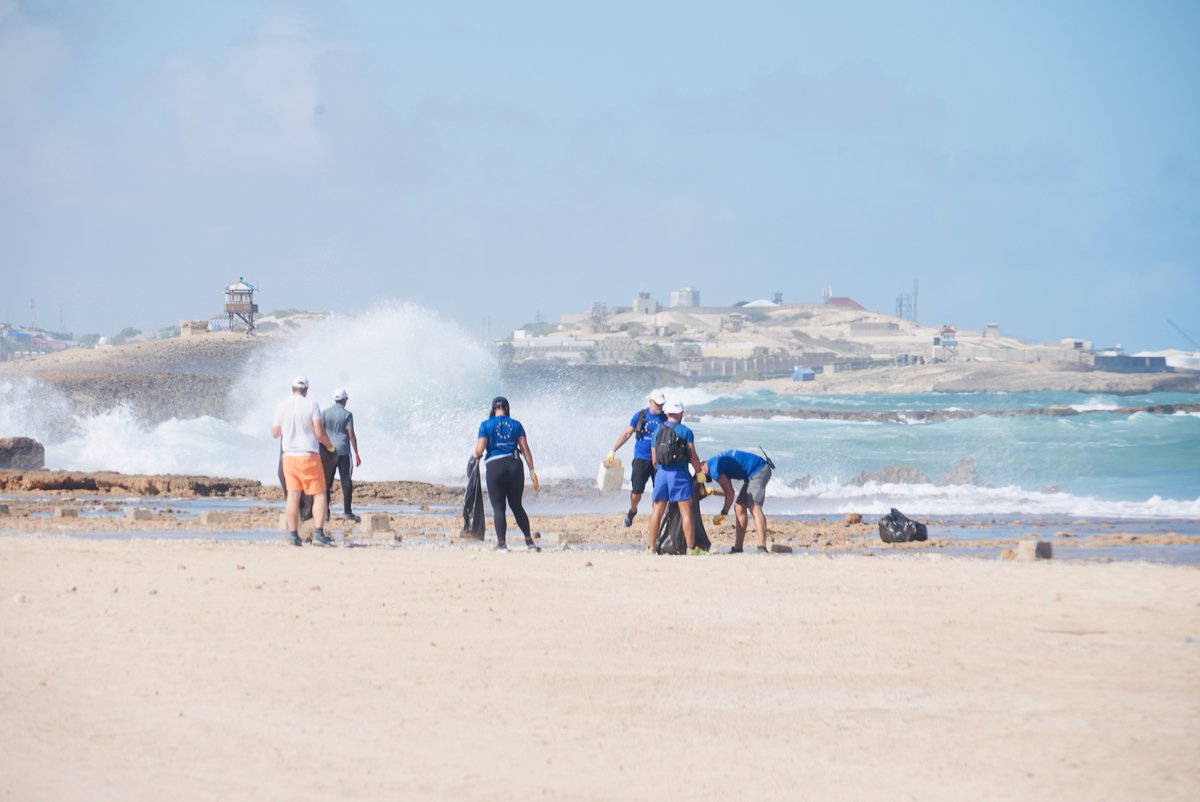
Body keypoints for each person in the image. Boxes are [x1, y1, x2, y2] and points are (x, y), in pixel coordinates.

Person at [272, 375, 336, 547]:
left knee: (293, 495)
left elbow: (275, 433)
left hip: (288, 457)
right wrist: (330, 448)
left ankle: (293, 536)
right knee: (320, 494)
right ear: (306, 389)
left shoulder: (281, 406)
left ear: (292, 388)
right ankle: (318, 533)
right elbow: (319, 432)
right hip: (308, 456)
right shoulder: (312, 405)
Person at [473, 396, 540, 552]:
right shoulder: (516, 424)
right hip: (515, 466)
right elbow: (525, 449)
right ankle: (529, 542)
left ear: (493, 409)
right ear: (507, 409)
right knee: (517, 505)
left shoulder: (485, 425)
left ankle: (502, 544)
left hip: (495, 467)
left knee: (499, 508)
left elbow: (479, 450)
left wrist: (473, 458)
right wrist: (532, 471)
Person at [647, 400, 706, 555]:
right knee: (686, 512)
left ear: (666, 413)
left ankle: (650, 548)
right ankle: (692, 549)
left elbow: (654, 460)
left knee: (657, 512)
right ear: (680, 414)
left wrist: (661, 469)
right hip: (679, 474)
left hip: (661, 474)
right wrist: (699, 473)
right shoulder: (686, 431)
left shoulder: (656, 432)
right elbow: (693, 456)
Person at [604, 390, 668, 527]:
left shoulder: (665, 419)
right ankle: (632, 511)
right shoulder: (640, 416)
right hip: (641, 459)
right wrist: (613, 450)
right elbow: (627, 433)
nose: (661, 407)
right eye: (658, 404)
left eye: (662, 404)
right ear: (650, 402)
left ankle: (656, 520)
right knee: (636, 492)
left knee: (659, 492)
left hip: (659, 462)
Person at [705, 449, 773, 553]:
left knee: (754, 506)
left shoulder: (714, 469)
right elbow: (729, 491)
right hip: (751, 475)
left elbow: (730, 493)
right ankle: (738, 548)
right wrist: (713, 491)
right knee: (739, 507)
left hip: (759, 469)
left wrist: (723, 513)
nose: (705, 479)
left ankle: (762, 547)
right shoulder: (713, 463)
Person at [321, 388, 361, 522]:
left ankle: (325, 513)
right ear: (344, 399)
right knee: (346, 480)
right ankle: (347, 512)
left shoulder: (325, 413)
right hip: (343, 452)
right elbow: (351, 435)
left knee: (327, 482)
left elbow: (320, 432)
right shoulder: (347, 414)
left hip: (328, 451)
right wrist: (356, 453)